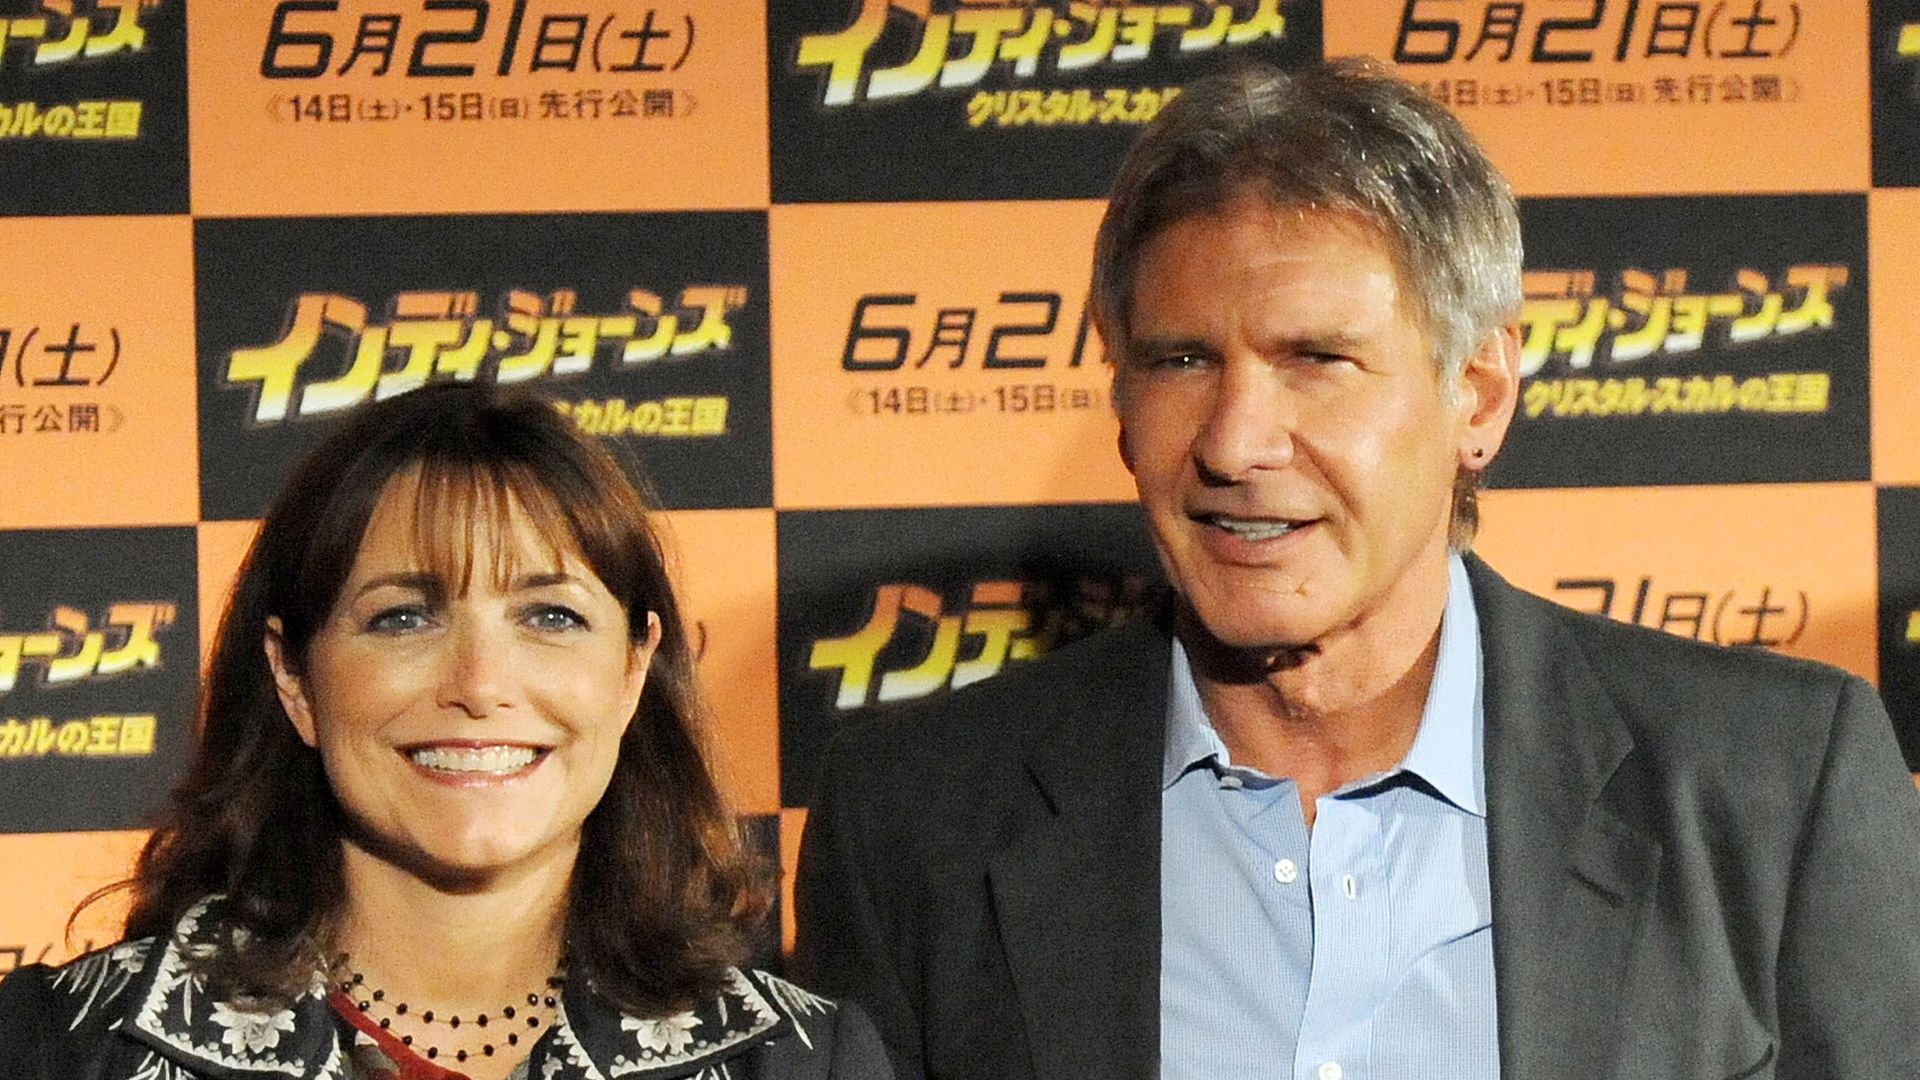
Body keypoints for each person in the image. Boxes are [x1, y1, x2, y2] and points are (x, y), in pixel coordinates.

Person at [793, 57, 1920, 1080]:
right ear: (1121, 400)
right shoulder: (914, 820)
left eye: (1317, 360)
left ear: (1477, 397)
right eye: (1182, 360)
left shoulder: (1775, 790)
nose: (1235, 442)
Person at [0, 383, 892, 1080]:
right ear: (293, 676)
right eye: (403, 619)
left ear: (632, 671)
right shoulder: (64, 1051)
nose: (480, 686)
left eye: (549, 617)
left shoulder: (795, 1063)